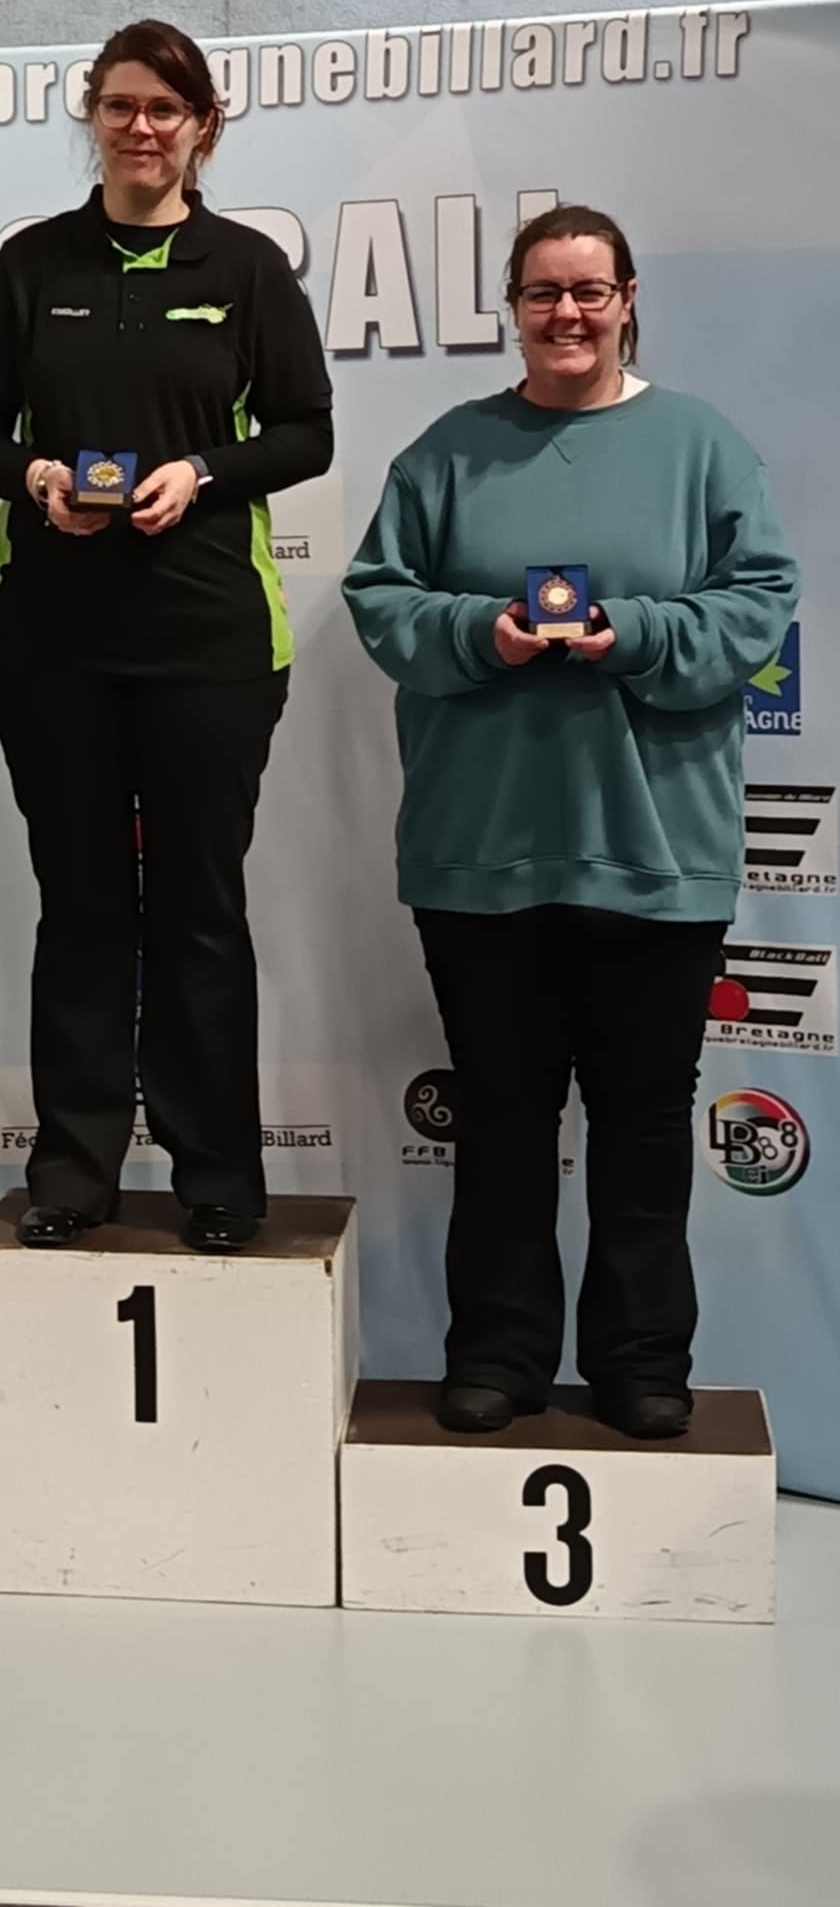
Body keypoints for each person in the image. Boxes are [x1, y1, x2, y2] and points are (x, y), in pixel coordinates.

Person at [344, 203, 798, 1439]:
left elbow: (760, 605)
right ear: (513, 306)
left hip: (657, 857)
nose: (568, 314)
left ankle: (643, 1361)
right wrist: (475, 632)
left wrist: (637, 634)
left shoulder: (704, 446)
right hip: (480, 851)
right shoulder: (448, 450)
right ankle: (498, 1353)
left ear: (630, 297)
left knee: (647, 1129)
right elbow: (382, 598)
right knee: (501, 1121)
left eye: (590, 291)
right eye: (543, 293)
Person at [0, 19, 334, 1254]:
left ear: (203, 125)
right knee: (83, 903)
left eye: (166, 108)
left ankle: (219, 1170)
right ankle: (75, 1164)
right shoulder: (31, 265)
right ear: (92, 118)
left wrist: (205, 473)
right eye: (119, 106)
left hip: (212, 637)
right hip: (53, 640)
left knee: (202, 908)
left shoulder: (250, 267)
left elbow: (308, 433)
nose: (141, 127)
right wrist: (35, 474)